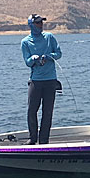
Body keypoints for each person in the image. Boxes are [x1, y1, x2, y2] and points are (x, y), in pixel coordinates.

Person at [21, 14, 62, 145]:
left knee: (47, 111)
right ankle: (32, 138)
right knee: (32, 110)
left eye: (41, 22)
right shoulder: (25, 42)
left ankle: (44, 140)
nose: (41, 25)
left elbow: (59, 53)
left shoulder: (50, 37)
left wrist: (48, 56)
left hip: (50, 80)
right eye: (38, 23)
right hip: (36, 81)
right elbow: (27, 62)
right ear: (31, 25)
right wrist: (32, 59)